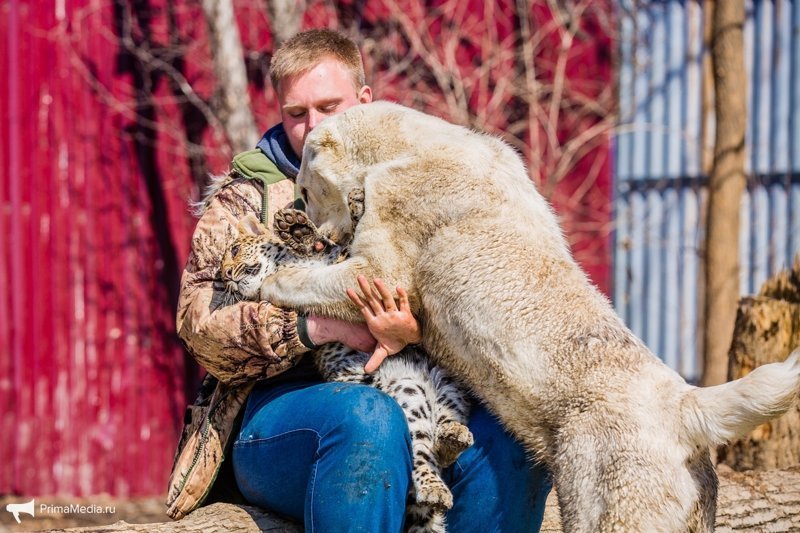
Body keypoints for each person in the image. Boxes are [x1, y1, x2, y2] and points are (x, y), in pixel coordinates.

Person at [166, 28, 551, 531]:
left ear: (365, 101)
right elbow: (201, 327)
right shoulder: (246, 197)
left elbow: (470, 293)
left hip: (425, 394)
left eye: (330, 107)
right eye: (297, 114)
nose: (314, 127)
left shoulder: (415, 179)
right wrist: (323, 328)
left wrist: (413, 330)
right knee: (367, 420)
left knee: (521, 433)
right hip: (282, 415)